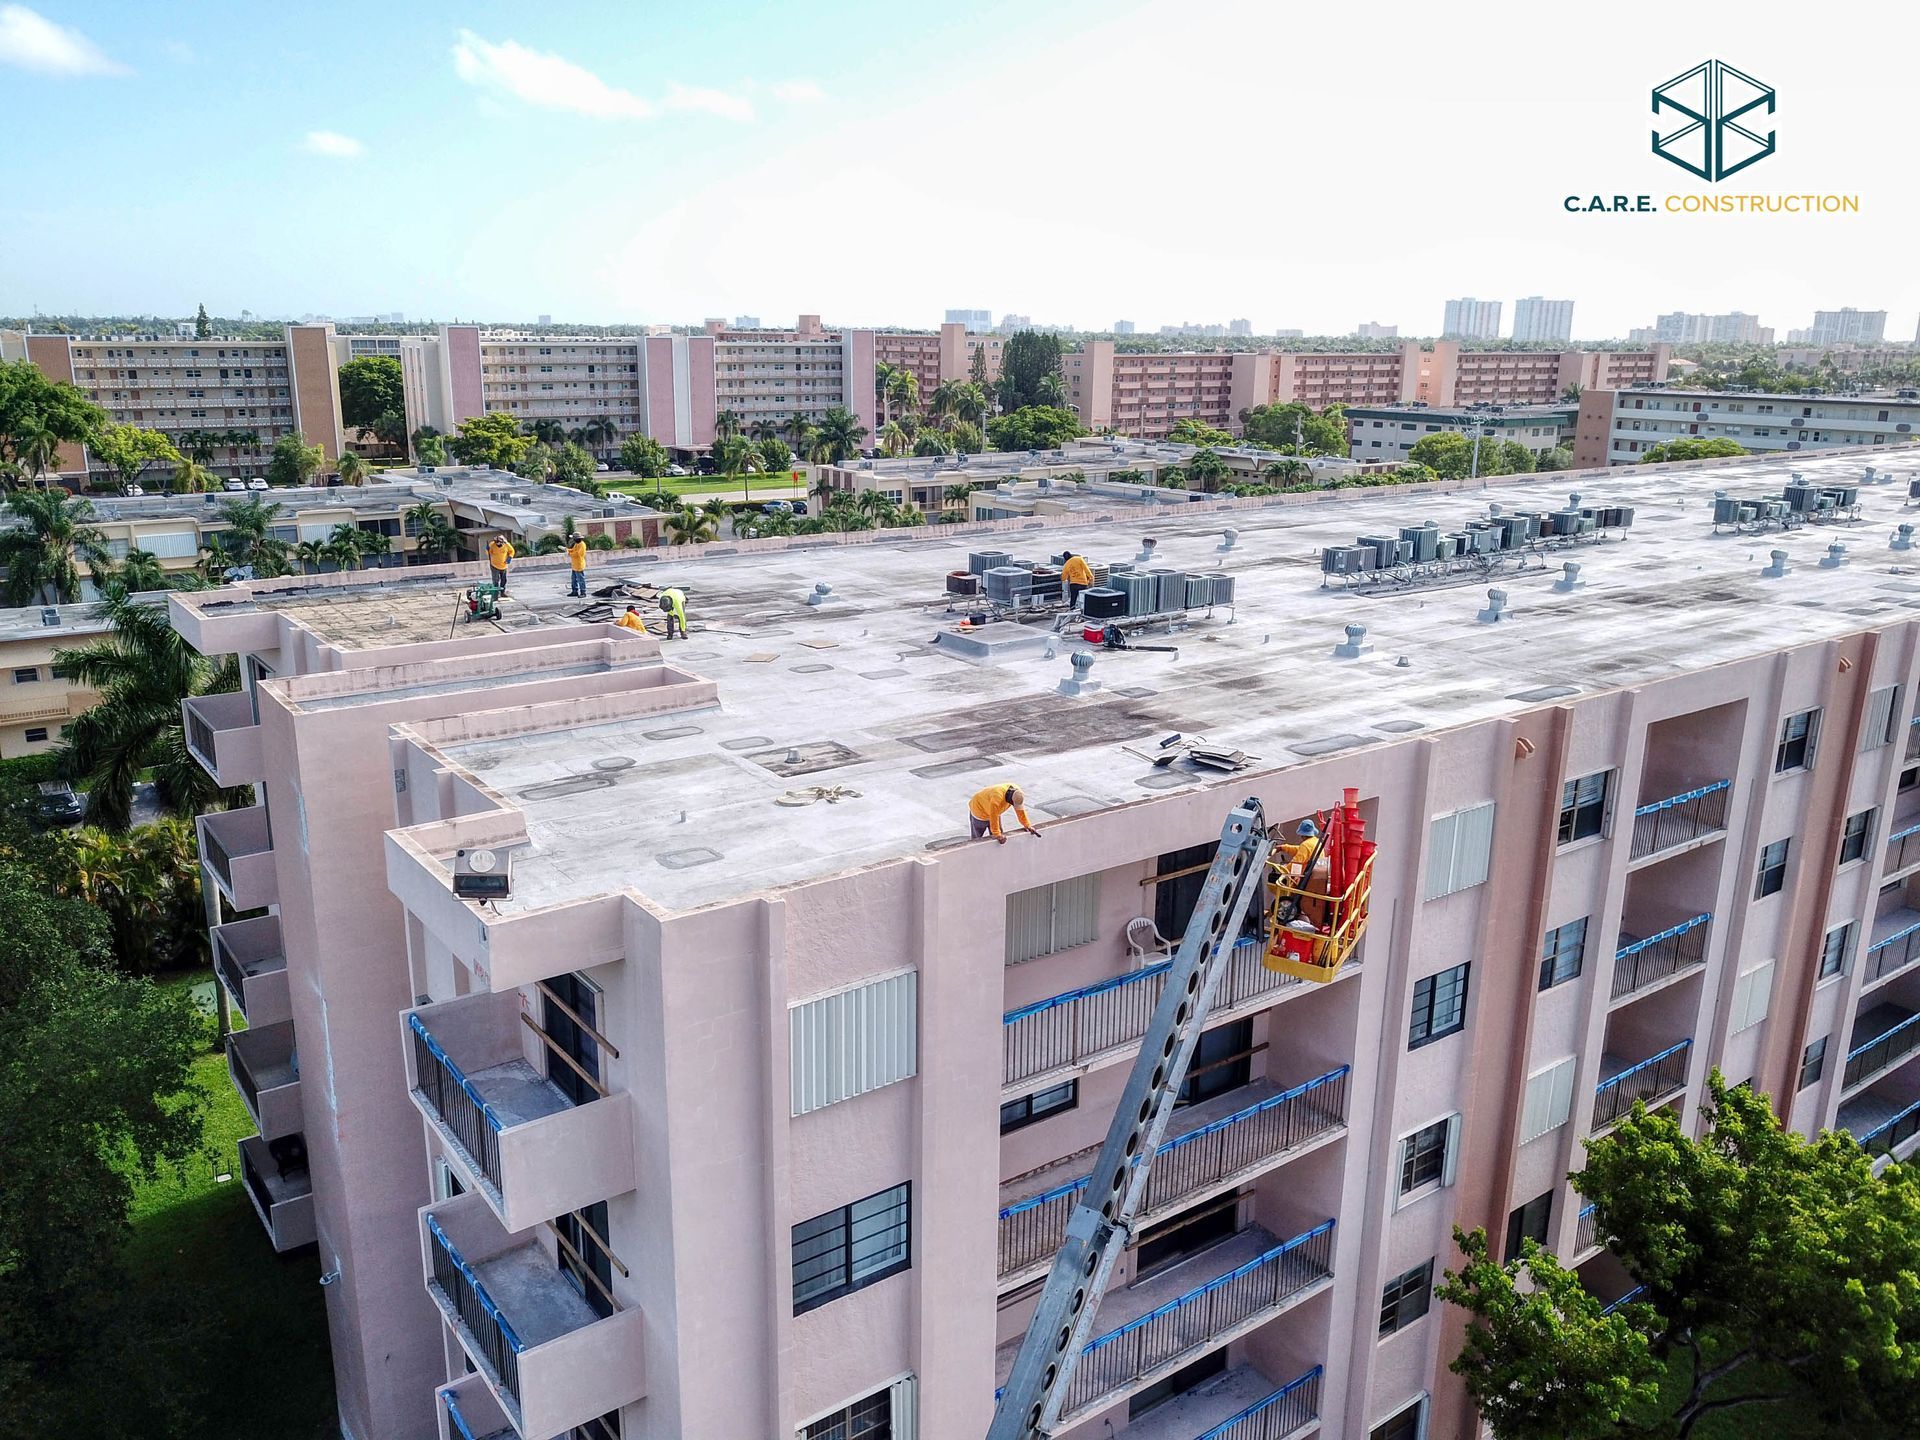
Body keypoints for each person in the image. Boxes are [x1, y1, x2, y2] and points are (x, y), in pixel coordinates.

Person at [969, 782, 1042, 844]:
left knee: (998, 834)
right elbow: (993, 816)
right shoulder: (997, 799)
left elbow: (1020, 812)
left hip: (993, 809)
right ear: (1010, 800)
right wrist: (997, 835)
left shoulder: (1017, 792)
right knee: (977, 838)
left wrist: (1027, 825)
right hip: (979, 810)